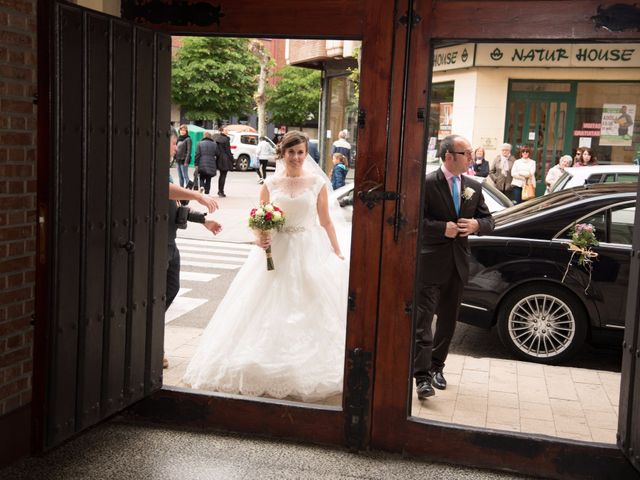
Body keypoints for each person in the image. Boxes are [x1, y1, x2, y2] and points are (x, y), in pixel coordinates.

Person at [183, 131, 349, 402]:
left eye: (300, 152)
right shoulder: (270, 183)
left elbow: (326, 221)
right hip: (276, 250)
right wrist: (260, 236)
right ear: (282, 154)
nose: (295, 157)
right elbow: (260, 218)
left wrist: (337, 251)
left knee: (309, 304)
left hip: (308, 249)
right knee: (262, 303)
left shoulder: (317, 183)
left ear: (306, 154)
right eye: (291, 152)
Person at [414, 134, 494, 400]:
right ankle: (421, 376)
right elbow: (413, 223)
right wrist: (441, 229)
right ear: (449, 156)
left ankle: (437, 367)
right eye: (466, 153)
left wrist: (476, 226)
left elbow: (489, 221)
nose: (471, 157)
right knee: (423, 322)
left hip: (458, 264)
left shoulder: (473, 186)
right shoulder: (426, 183)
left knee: (449, 322)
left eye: (471, 153)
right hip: (430, 264)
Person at [165, 128, 221, 368]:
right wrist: (197, 196)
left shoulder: (166, 173)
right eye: (173, 143)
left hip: (170, 243)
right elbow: (162, 190)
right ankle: (154, 346)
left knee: (170, 290)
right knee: (158, 297)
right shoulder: (153, 171)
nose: (175, 148)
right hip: (158, 245)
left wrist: (203, 220)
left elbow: (175, 208)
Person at [212, 130, 234, 197]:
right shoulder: (226, 139)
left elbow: (216, 150)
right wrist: (232, 159)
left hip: (219, 158)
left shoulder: (217, 138)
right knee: (223, 176)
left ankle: (220, 191)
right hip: (225, 159)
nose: (227, 132)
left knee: (221, 175)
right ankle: (221, 191)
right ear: (223, 131)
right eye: (226, 131)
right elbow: (228, 151)